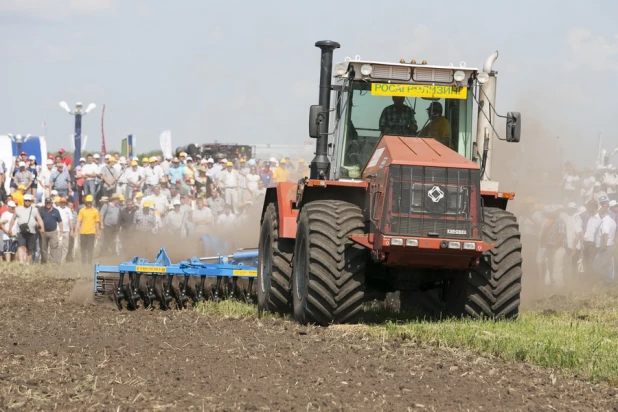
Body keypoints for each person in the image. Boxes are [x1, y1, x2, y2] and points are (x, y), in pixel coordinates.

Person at [9, 194, 45, 264]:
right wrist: (10, 228)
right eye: (26, 200)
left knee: (30, 247)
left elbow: (39, 219)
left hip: (31, 231)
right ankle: (21, 261)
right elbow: (13, 219)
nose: (27, 202)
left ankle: (28, 262)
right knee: (21, 246)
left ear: (31, 201)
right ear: (23, 201)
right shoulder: (18, 209)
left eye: (29, 200)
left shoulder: (35, 210)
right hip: (21, 230)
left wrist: (42, 227)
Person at [74, 194, 100, 264]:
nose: (89, 204)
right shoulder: (82, 210)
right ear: (85, 202)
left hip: (91, 232)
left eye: (90, 202)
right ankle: (83, 263)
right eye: (88, 202)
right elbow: (78, 221)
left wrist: (98, 233)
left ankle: (89, 263)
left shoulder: (95, 211)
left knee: (90, 249)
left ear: (92, 202)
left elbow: (97, 223)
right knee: (83, 249)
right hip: (83, 232)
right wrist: (76, 231)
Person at [38, 197, 63, 264]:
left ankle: (54, 263)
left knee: (54, 247)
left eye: (49, 203)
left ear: (51, 203)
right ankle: (43, 262)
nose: (48, 204)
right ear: (45, 203)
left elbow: (60, 222)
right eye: (47, 203)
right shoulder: (41, 210)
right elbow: (38, 220)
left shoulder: (56, 211)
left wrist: (61, 232)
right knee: (43, 248)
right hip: (44, 232)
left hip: (53, 232)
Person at [56, 197, 74, 263]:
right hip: (58, 230)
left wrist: (72, 230)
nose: (63, 204)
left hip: (66, 230)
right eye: (62, 202)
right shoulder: (57, 209)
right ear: (60, 202)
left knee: (65, 247)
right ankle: (58, 260)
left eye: (64, 202)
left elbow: (70, 220)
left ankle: (62, 261)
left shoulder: (68, 210)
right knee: (59, 245)